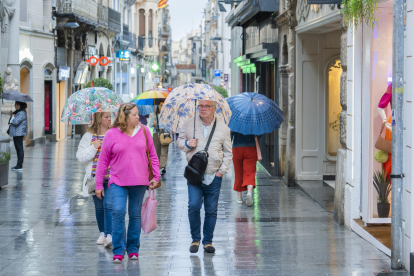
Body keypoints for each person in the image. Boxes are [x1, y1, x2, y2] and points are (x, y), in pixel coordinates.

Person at [95, 102, 161, 263]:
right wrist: (98, 184)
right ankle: (118, 249)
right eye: (134, 114)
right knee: (117, 212)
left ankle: (133, 249)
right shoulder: (112, 134)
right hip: (117, 181)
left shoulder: (145, 131)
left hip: (139, 181)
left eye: (138, 114)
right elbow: (103, 161)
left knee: (135, 215)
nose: (138, 117)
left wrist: (156, 177)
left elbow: (153, 155)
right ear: (124, 117)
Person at [177, 100, 232, 254]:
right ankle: (195, 239)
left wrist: (221, 171)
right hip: (194, 175)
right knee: (193, 205)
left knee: (211, 209)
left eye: (206, 106)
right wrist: (187, 144)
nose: (202, 109)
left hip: (214, 175)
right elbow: (179, 141)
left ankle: (208, 241)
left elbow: (228, 152)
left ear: (214, 109)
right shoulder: (189, 123)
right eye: (200, 106)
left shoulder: (223, 128)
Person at [76, 112, 113, 247]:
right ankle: (102, 232)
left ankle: (109, 234)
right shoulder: (88, 136)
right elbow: (80, 157)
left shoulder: (113, 134)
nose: (109, 119)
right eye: (106, 117)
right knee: (99, 208)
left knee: (108, 205)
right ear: (99, 119)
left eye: (110, 116)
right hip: (93, 178)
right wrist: (93, 147)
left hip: (111, 177)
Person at [231, 131, 260, 207]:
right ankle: (249, 192)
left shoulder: (236, 120)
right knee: (250, 173)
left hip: (236, 148)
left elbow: (230, 135)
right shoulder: (254, 121)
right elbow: (259, 135)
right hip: (250, 148)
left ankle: (239, 198)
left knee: (238, 173)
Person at [8, 101, 28, 171]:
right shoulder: (18, 112)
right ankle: (18, 165)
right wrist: (12, 115)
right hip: (17, 133)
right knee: (18, 148)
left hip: (19, 133)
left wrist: (13, 117)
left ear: (19, 105)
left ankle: (19, 165)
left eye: (15, 104)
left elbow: (16, 122)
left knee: (19, 149)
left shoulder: (21, 113)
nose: (14, 105)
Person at [151, 101, 169, 175]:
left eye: (163, 105)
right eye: (161, 105)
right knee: (157, 151)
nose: (162, 106)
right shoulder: (155, 115)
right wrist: (153, 124)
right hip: (156, 134)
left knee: (164, 152)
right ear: (158, 106)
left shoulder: (167, 115)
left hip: (164, 134)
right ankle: (157, 167)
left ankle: (162, 167)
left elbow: (169, 125)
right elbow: (150, 124)